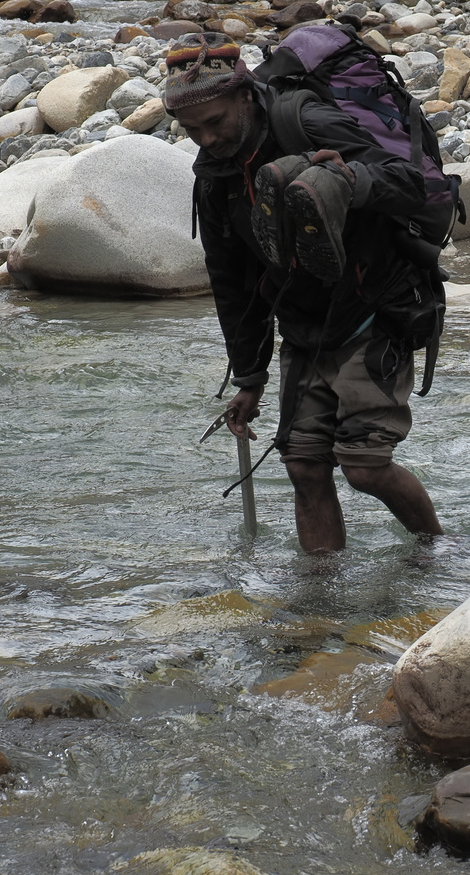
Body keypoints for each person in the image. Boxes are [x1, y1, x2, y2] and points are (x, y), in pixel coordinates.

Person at [164, 33, 443, 554]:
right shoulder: (215, 175)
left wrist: (347, 181)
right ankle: (320, 598)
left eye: (216, 122)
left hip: (374, 308)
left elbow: (411, 183)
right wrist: (249, 375)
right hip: (302, 323)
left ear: (245, 97)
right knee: (304, 466)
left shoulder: (306, 121)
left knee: (363, 467)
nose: (205, 139)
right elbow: (231, 280)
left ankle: (439, 552)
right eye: (192, 129)